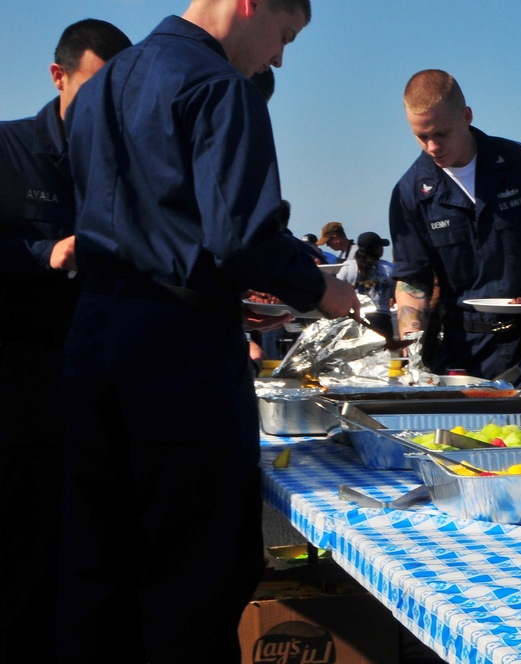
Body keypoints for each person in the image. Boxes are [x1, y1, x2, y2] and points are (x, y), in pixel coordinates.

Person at [58, 2, 358, 661]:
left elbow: (141, 227)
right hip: (178, 360)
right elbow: (241, 235)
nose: (277, 57)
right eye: (284, 35)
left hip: (94, 338)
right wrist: (323, 289)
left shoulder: (102, 85)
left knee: (97, 566)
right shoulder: (221, 87)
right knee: (195, 573)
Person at [0, 19, 132, 663]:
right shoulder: (8, 150)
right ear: (59, 76)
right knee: (24, 563)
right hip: (22, 395)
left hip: (101, 394)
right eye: (97, 89)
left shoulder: (126, 167)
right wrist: (41, 252)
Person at [390, 69, 521, 387]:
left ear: (466, 116)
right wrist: (411, 347)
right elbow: (413, 283)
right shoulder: (409, 194)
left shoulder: (520, 162)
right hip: (460, 355)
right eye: (421, 137)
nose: (432, 147)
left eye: (441, 134)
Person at [337, 230, 396, 336]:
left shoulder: (347, 267)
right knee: (385, 352)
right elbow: (395, 295)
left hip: (355, 320)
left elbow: (337, 293)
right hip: (381, 319)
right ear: (376, 249)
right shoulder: (389, 268)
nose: (383, 249)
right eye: (381, 246)